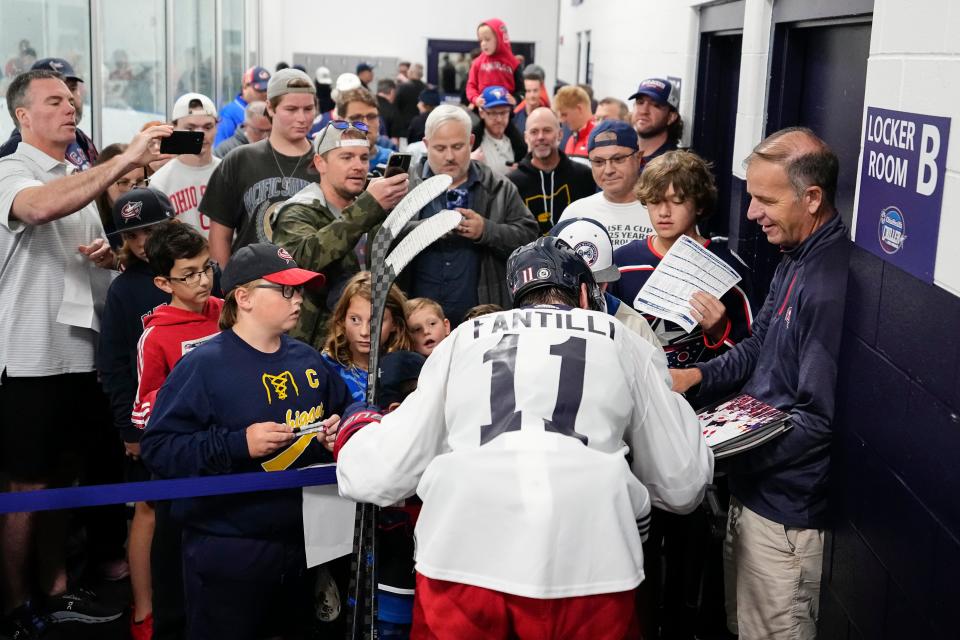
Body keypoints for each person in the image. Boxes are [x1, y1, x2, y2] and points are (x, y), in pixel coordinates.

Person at [334, 235, 713, 639]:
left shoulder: (464, 338)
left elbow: (378, 475)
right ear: (585, 293)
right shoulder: (618, 337)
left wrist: (356, 423)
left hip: (463, 554)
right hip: (591, 560)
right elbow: (682, 483)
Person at [0, 68, 173, 637]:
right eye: (54, 101)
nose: (70, 107)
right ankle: (13, 607)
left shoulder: (77, 174)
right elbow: (35, 210)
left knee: (65, 480)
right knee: (25, 487)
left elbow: (63, 245)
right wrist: (125, 161)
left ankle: (54, 591)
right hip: (27, 357)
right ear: (23, 116)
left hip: (79, 352)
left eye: (72, 99)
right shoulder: (12, 170)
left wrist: (103, 258)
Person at [670, 128, 851, 640]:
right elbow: (755, 348)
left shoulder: (828, 283)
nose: (751, 214)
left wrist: (715, 456)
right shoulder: (794, 258)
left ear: (812, 197)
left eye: (765, 199)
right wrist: (690, 377)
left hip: (787, 519)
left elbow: (816, 421)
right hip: (751, 498)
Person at [140, 242, 350, 640]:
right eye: (286, 290)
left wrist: (337, 431)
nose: (298, 299)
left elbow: (346, 409)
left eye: (300, 290)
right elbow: (159, 448)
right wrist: (238, 444)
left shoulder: (307, 358)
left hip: (305, 540)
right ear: (244, 297)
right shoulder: (203, 365)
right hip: (229, 547)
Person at [96, 188, 177, 640]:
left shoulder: (200, 273)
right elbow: (114, 365)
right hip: (150, 419)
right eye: (134, 234)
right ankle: (143, 608)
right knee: (146, 509)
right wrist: (128, 426)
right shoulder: (125, 289)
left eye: (152, 229)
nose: (144, 240)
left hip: (200, 417)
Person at [271, 120, 409, 349]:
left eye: (364, 158)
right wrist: (367, 207)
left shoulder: (371, 206)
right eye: (346, 157)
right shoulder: (297, 211)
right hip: (316, 347)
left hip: (369, 344)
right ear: (320, 163)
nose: (358, 166)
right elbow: (301, 261)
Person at [610, 150, 753, 368]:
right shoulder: (622, 262)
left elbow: (753, 352)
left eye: (677, 201)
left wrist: (719, 329)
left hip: (702, 395)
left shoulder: (727, 267)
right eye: (655, 201)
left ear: (700, 205)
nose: (664, 212)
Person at [405, 104, 538, 325]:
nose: (449, 156)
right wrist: (426, 230)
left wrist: (487, 230)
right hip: (414, 324)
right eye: (440, 148)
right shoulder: (404, 187)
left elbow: (529, 239)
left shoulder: (498, 188)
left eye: (457, 146)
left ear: (471, 142)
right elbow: (382, 241)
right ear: (426, 145)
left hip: (480, 321)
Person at [201, 68, 317, 266]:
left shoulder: (326, 162)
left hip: (312, 286)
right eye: (291, 109)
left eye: (308, 109)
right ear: (270, 108)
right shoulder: (240, 160)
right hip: (250, 285)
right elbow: (220, 235)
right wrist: (224, 289)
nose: (302, 118)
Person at [549, 217, 661, 351]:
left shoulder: (635, 326)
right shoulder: (528, 321)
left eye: (598, 283)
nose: (588, 294)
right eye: (576, 285)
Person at [559, 119, 654, 247]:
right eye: (598, 162)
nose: (608, 170)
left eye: (618, 159)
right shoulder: (575, 214)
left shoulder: (660, 212)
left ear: (638, 158)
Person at [321, 271, 412, 402]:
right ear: (342, 320)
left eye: (375, 321)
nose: (364, 332)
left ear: (395, 323)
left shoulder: (407, 370)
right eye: (355, 319)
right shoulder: (325, 369)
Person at [506, 107, 595, 234]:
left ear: (560, 134)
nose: (540, 137)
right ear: (526, 138)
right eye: (534, 132)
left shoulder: (583, 176)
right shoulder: (512, 183)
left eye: (547, 130)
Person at [0, 57, 98, 169]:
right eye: (55, 101)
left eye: (72, 88)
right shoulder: (14, 152)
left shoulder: (79, 137)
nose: (70, 105)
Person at [149, 92, 221, 237]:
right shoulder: (160, 182)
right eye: (190, 128)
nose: (201, 134)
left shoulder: (228, 171)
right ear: (173, 128)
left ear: (216, 127)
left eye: (208, 127)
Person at [93, 142, 151, 242]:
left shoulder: (155, 221)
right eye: (124, 182)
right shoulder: (96, 231)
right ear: (104, 184)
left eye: (140, 181)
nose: (133, 189)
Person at [470, 85, 527, 177]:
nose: (499, 119)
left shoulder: (518, 143)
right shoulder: (472, 143)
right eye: (493, 113)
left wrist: (521, 171)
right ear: (482, 113)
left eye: (504, 112)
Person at [466, 18, 523, 106]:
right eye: (480, 40)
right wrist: (475, 99)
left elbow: (522, 90)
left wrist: (515, 99)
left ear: (499, 39)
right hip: (484, 111)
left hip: (506, 111)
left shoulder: (513, 63)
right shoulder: (477, 63)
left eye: (487, 39)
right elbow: (471, 86)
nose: (483, 44)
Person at [629, 78, 682, 170]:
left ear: (671, 117)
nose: (644, 111)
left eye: (655, 105)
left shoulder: (674, 167)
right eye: (640, 102)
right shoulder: (622, 152)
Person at [336, 87, 392, 171]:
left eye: (372, 117)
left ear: (379, 121)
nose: (365, 124)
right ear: (341, 122)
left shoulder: (391, 161)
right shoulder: (330, 165)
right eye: (356, 118)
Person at [214, 65, 270, 146]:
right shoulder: (229, 113)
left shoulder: (271, 110)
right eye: (260, 89)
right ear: (245, 87)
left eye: (267, 89)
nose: (265, 93)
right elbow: (220, 148)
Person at [553, 85, 595, 162]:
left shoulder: (598, 139)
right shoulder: (571, 140)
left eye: (564, 114)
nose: (562, 120)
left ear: (579, 109)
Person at [511, 66, 546, 134]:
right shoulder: (515, 118)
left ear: (541, 90)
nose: (532, 95)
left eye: (535, 91)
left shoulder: (549, 117)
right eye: (528, 91)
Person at [394, 63, 426, 137]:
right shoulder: (426, 88)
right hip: (422, 128)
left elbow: (395, 107)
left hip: (405, 128)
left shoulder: (402, 88)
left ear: (410, 72)